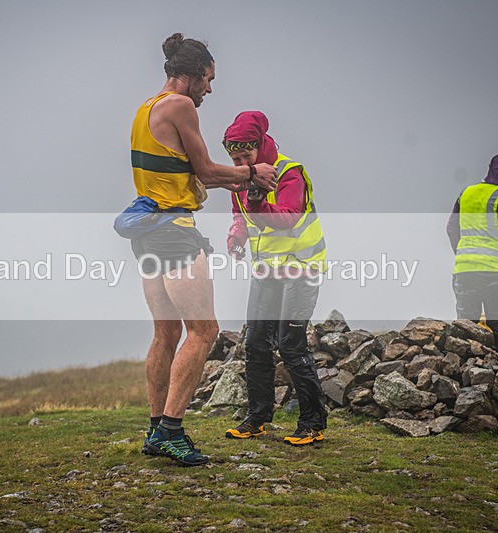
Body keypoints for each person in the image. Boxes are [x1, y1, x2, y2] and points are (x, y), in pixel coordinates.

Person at [129, 34, 277, 466]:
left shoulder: (146, 108)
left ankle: (156, 427)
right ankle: (172, 432)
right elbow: (208, 172)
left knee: (166, 333)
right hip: (174, 231)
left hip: (147, 232)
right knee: (203, 331)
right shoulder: (181, 106)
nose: (210, 89)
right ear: (192, 76)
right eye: (208, 80)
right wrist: (253, 174)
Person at [223, 111, 329, 446]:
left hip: (302, 267)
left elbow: (288, 219)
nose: (241, 163)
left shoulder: (289, 173)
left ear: (259, 146)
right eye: (235, 158)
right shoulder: (242, 177)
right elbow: (240, 214)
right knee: (255, 342)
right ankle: (257, 418)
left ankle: (312, 423)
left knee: (291, 344)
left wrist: (258, 206)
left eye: (245, 156)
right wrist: (236, 235)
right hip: (266, 270)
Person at [447, 153, 498, 349]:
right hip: (492, 274)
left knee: (466, 328)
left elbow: (451, 229)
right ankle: (497, 371)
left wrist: (463, 256)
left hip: (464, 272)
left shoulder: (466, 194)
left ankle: (467, 371)